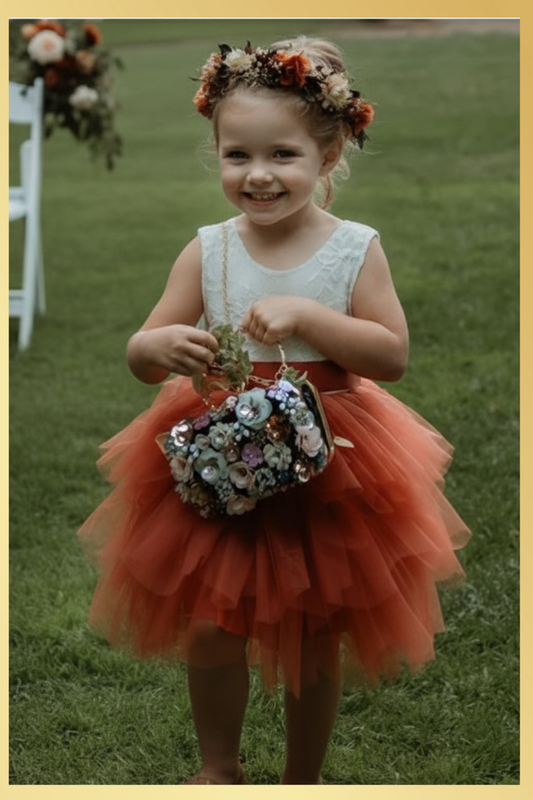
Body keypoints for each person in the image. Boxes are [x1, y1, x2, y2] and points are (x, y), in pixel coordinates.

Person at [78, 36, 471, 785]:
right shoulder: (208, 249)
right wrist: (161, 342)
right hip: (222, 455)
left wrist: (306, 316)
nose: (257, 175)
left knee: (312, 631)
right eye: (237, 156)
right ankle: (219, 767)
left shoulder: (353, 248)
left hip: (330, 460)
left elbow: (389, 354)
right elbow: (140, 354)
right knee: (209, 624)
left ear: (327, 157)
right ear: (218, 152)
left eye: (282, 155)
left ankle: (302, 777)